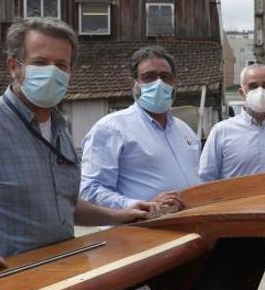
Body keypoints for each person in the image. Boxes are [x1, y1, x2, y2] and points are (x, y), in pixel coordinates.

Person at [0, 17, 157, 275]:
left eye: (61, 65)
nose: (52, 72)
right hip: (3, 282)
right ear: (13, 66)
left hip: (64, 274)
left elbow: (62, 204)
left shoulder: (59, 128)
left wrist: (117, 215)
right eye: (40, 62)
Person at [80, 46, 201, 211]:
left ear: (174, 84)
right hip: (141, 229)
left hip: (190, 225)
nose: (159, 83)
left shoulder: (185, 130)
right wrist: (138, 205)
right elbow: (89, 190)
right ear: (134, 84)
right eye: (149, 77)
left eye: (165, 77)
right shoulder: (111, 129)